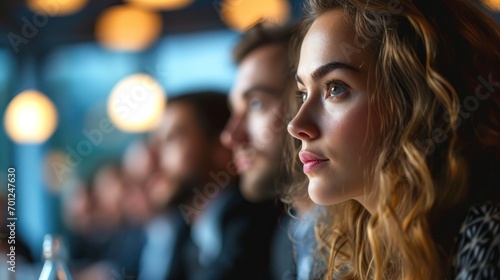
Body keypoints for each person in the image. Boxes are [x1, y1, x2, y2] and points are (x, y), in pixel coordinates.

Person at [287, 0, 500, 279]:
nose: (296, 125)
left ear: (420, 101)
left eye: (335, 88)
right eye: (303, 93)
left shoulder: (486, 235)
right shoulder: (348, 250)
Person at [220, 22, 321, 280]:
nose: (231, 136)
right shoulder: (286, 240)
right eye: (234, 111)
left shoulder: (374, 241)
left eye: (256, 103)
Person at [153, 91, 279, 280]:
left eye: (172, 139)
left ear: (222, 147)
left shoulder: (252, 222)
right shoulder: (188, 232)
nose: (153, 160)